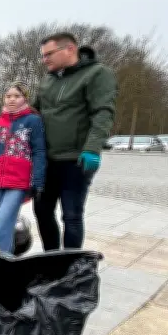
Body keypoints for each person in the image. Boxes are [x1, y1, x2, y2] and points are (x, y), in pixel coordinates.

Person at [32, 32, 117, 250]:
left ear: (70, 49)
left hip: (76, 159)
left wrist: (93, 148)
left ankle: (71, 268)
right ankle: (51, 259)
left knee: (71, 215)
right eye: (43, 56)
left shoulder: (97, 74)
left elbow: (102, 112)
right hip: (47, 159)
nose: (45, 60)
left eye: (49, 54)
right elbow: (35, 112)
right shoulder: (48, 80)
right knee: (41, 211)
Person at [0, 82, 46, 253]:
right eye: (8, 96)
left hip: (18, 182)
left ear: (25, 98)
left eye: (17, 96)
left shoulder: (33, 121)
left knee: (1, 223)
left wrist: (38, 181)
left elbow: (39, 151)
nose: (12, 99)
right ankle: (5, 260)